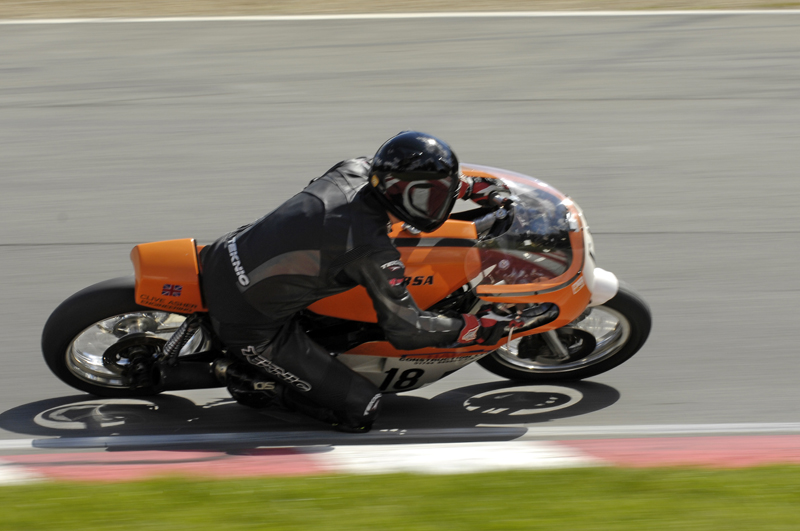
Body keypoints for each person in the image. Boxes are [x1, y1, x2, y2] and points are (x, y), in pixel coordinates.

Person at [200, 131, 520, 432]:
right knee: (361, 409)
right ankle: (251, 381)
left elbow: (405, 172)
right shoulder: (369, 250)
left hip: (226, 249)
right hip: (250, 323)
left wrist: (466, 187)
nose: (437, 204)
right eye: (428, 196)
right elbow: (407, 331)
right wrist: (475, 327)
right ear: (396, 192)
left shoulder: (355, 168)